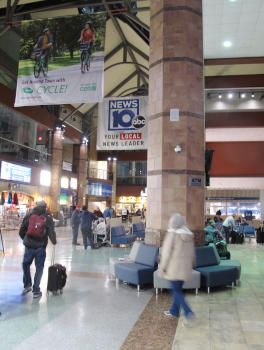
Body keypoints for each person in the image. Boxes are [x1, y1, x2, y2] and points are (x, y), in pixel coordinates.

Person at [159, 213, 195, 325]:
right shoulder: (188, 234)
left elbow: (166, 252)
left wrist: (163, 267)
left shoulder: (172, 234)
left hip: (174, 268)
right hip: (184, 268)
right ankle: (174, 311)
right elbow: (193, 253)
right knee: (177, 290)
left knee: (175, 291)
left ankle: (188, 311)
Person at [19, 200, 56, 298]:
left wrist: (26, 240)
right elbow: (51, 232)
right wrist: (54, 241)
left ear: (36, 206)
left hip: (29, 246)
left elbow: (21, 231)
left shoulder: (29, 215)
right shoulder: (48, 218)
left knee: (26, 264)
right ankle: (36, 290)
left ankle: (27, 285)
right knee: (39, 267)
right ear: (45, 207)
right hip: (40, 246)